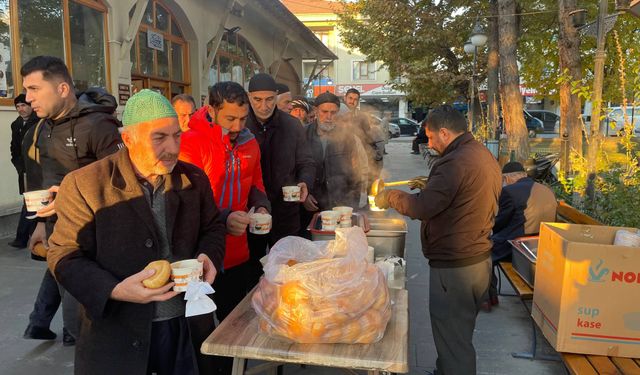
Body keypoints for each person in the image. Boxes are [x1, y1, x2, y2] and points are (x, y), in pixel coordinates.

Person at [47, 89, 226, 375]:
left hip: (184, 325)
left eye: (176, 135)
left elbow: (213, 227)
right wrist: (114, 289)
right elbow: (64, 255)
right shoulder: (85, 184)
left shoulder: (193, 178)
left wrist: (209, 255)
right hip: (118, 331)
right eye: (159, 137)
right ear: (128, 139)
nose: (173, 147)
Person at [375, 105, 501, 375]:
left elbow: (422, 208)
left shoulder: (455, 162)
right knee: (456, 334)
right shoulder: (479, 153)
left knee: (453, 340)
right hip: (476, 259)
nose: (429, 143)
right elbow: (456, 196)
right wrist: (430, 185)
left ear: (445, 133)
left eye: (431, 137)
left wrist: (390, 197)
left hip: (456, 266)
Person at [21, 56, 123, 346]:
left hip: (96, 237)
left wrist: (68, 195)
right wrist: (40, 224)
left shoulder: (98, 126)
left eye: (34, 89)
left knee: (88, 323)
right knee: (76, 323)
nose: (28, 98)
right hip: (57, 233)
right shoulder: (39, 130)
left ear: (63, 88)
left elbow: (122, 181)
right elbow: (41, 181)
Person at [179, 81, 270, 373]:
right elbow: (186, 201)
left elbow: (256, 183)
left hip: (238, 252)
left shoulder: (249, 141)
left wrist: (261, 206)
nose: (237, 126)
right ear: (210, 109)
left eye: (242, 119)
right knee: (203, 334)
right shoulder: (190, 142)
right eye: (230, 118)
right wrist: (225, 215)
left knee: (234, 327)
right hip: (201, 254)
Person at [244, 73, 315, 288]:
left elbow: (307, 162)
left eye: (269, 99)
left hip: (286, 211)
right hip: (251, 211)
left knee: (286, 270)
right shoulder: (241, 124)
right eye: (257, 99)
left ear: (276, 97)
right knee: (251, 268)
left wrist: (305, 182)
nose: (264, 106)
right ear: (249, 97)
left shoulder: (292, 126)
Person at [486, 161, 557, 309]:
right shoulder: (546, 189)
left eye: (503, 180)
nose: (504, 183)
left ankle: (488, 298)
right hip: (542, 244)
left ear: (508, 178)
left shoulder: (509, 192)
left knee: (483, 250)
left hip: (519, 247)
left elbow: (499, 223)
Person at [303, 92, 360, 217]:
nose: (329, 117)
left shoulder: (347, 137)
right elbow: (295, 168)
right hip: (311, 205)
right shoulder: (303, 134)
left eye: (333, 113)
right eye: (324, 112)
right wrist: (304, 196)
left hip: (340, 204)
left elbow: (355, 174)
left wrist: (352, 206)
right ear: (316, 111)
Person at [9, 94, 39, 248]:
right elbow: (14, 149)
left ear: (30, 106)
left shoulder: (39, 121)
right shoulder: (16, 124)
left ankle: (23, 238)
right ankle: (28, 237)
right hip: (25, 171)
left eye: (24, 105)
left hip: (39, 170)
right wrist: (20, 167)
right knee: (30, 203)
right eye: (18, 106)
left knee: (32, 202)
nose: (21, 109)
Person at [343, 88, 384, 187]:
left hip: (359, 156)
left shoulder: (362, 117)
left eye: (355, 99)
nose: (352, 101)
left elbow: (368, 136)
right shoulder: (338, 113)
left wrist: (372, 155)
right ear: (345, 98)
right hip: (341, 157)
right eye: (350, 98)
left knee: (357, 186)